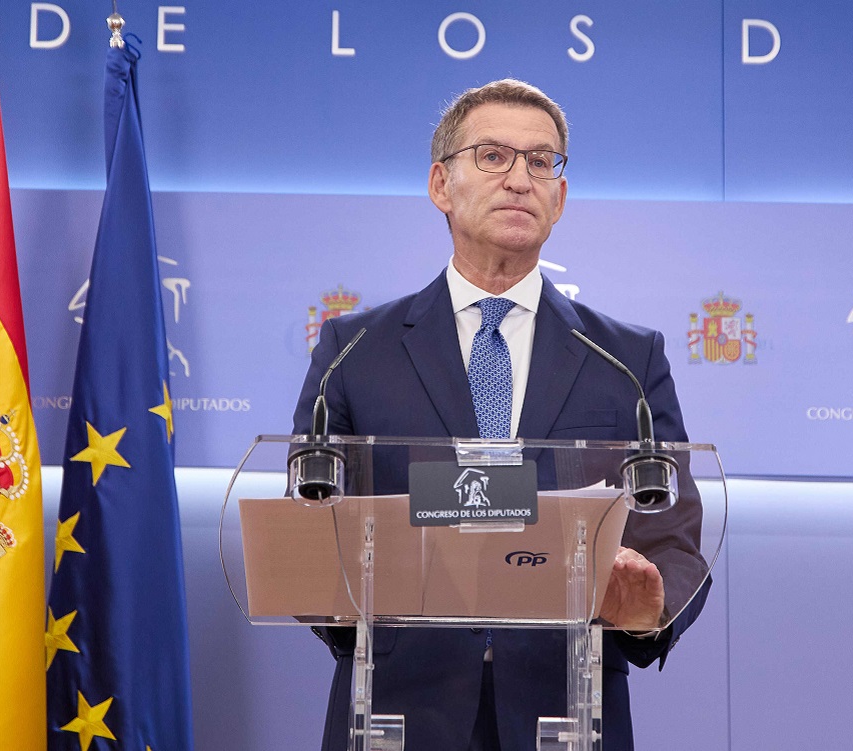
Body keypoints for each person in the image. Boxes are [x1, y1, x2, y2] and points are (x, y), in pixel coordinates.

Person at [293, 79, 709, 751]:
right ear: (440, 184)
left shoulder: (626, 360)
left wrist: (649, 607)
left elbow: (675, 535)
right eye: (493, 156)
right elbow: (312, 526)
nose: (521, 178)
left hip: (566, 713)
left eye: (541, 161)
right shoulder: (355, 352)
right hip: (398, 711)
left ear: (560, 197)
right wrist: (360, 600)